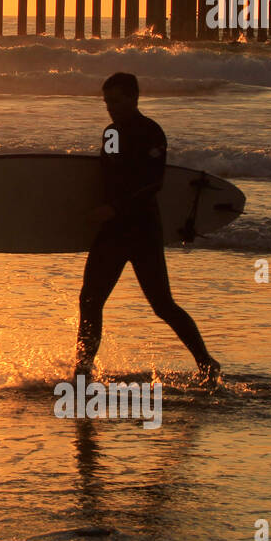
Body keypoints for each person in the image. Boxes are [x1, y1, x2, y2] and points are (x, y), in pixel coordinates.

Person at [74, 72, 221, 382]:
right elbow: (108, 176)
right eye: (106, 102)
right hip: (113, 230)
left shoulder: (151, 132)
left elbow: (152, 183)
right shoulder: (111, 134)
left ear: (133, 97)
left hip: (141, 230)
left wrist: (114, 208)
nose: (110, 107)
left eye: (116, 101)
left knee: (162, 305)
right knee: (90, 299)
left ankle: (207, 362)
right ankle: (83, 370)